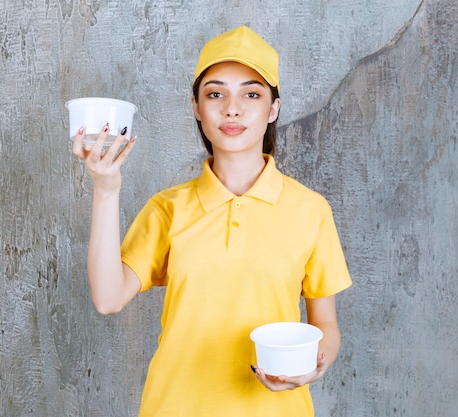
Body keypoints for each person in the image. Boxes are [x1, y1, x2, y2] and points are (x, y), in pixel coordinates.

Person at [72, 25, 352, 417]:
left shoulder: (311, 210)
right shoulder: (168, 208)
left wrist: (313, 367)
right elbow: (107, 297)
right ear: (196, 107)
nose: (232, 108)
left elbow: (326, 326)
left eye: (251, 94)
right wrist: (105, 188)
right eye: (215, 93)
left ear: (274, 108)